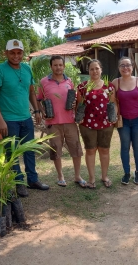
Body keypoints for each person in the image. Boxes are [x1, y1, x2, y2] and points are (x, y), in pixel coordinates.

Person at [0, 39, 49, 197]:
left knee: (29, 150)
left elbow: (31, 92)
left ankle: (33, 180)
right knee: (12, 153)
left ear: (23, 53)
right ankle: (18, 183)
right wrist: (0, 120)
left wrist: (36, 111)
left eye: (19, 52)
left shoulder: (27, 69)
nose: (16, 56)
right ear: (6, 53)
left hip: (26, 118)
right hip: (8, 120)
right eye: (12, 53)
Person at [37, 55, 86, 188]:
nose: (58, 67)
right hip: (53, 123)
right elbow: (38, 99)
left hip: (70, 121)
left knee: (76, 148)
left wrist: (76, 107)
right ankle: (60, 176)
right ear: (51, 66)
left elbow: (74, 99)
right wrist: (42, 112)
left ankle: (77, 176)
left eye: (60, 65)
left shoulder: (69, 81)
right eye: (55, 65)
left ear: (64, 66)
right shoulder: (43, 82)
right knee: (56, 150)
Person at [76, 59, 116, 189]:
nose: (94, 71)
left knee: (104, 150)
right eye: (92, 69)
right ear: (88, 71)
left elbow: (113, 103)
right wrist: (79, 117)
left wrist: (114, 117)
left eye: (97, 68)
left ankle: (104, 176)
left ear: (101, 69)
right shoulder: (82, 87)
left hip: (106, 123)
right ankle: (92, 179)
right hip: (87, 124)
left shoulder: (109, 86)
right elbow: (79, 105)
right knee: (90, 150)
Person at [112, 57, 138, 185]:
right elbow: (113, 102)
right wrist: (114, 115)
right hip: (123, 120)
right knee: (125, 147)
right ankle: (126, 172)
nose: (125, 68)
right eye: (122, 65)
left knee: (137, 146)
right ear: (119, 68)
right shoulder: (115, 82)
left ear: (132, 67)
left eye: (128, 65)